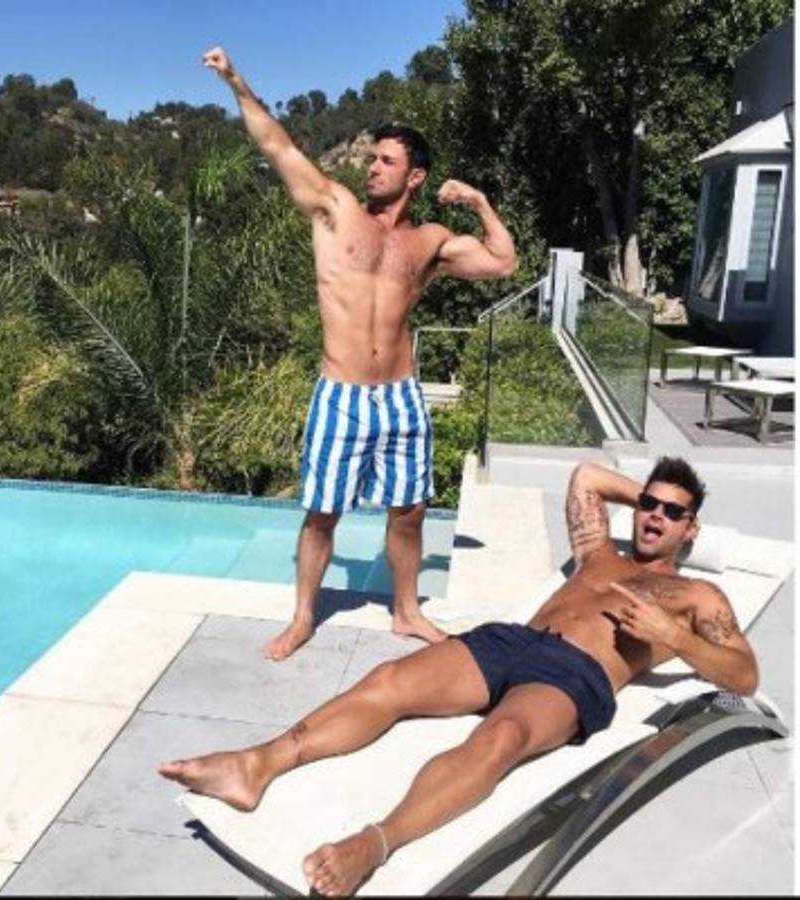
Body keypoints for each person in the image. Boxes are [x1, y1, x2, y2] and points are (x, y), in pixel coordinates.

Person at [159, 457, 758, 896]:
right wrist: (650, 496)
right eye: (649, 504)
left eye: (673, 513)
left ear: (692, 529)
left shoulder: (696, 595)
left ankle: (375, 843)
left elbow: (745, 675)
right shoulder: (599, 552)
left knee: (501, 739)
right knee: (389, 680)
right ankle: (256, 764)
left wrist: (674, 635)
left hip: (573, 676)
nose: (654, 516)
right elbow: (585, 478)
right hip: (514, 641)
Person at [202, 47, 519, 660]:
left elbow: (503, 262)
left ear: (415, 177)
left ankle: (406, 612)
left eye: (386, 161)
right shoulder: (336, 211)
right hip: (340, 394)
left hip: (401, 397)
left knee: (410, 511)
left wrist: (479, 202)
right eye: (371, 157)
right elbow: (278, 146)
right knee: (322, 513)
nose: (372, 167)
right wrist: (237, 82)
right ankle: (302, 617)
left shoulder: (430, 241)